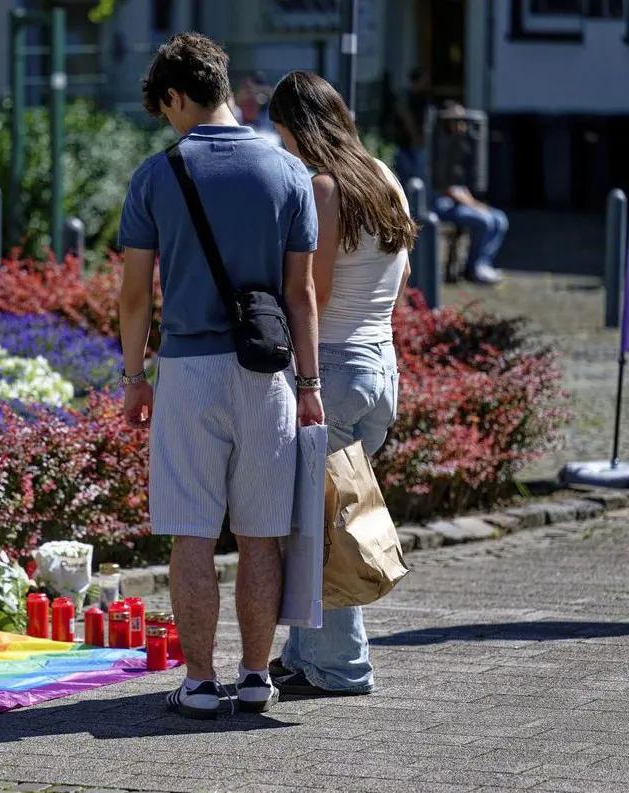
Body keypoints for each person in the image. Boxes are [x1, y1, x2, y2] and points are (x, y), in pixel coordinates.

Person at [117, 33, 323, 719]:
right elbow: (303, 297)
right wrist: (314, 385)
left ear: (175, 96)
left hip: (187, 370)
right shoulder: (289, 174)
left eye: (165, 110)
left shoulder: (155, 176)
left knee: (193, 533)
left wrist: (133, 376)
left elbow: (135, 295)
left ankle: (201, 682)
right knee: (262, 532)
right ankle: (258, 675)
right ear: (226, 89)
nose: (168, 123)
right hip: (269, 373)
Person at [267, 70, 415, 698]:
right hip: (380, 366)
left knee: (326, 526)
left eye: (280, 134)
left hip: (334, 370)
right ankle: (305, 656)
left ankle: (340, 667)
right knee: (322, 514)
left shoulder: (324, 188)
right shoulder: (384, 177)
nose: (280, 148)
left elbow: (315, 295)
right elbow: (399, 281)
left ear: (298, 128)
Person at [432, 103, 507, 285]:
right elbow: (445, 188)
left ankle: (483, 263)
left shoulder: (459, 147)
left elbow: (460, 186)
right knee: (485, 221)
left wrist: (476, 204)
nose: (462, 126)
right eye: (457, 122)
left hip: (460, 202)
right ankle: (474, 268)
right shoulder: (439, 148)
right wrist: (472, 206)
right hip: (442, 204)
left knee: (500, 219)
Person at [395, 67, 432, 187]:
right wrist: (415, 136)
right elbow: (406, 117)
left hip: (418, 142)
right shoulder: (407, 97)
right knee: (411, 176)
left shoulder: (423, 98)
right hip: (408, 142)